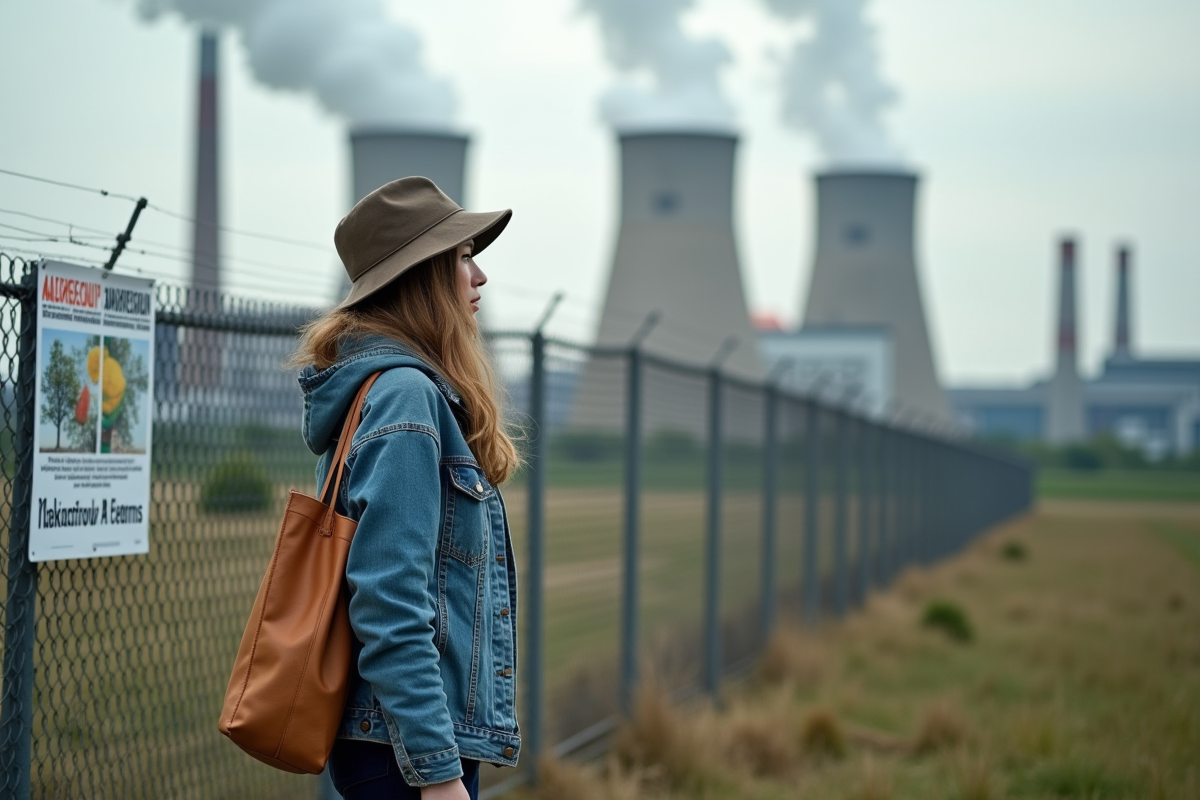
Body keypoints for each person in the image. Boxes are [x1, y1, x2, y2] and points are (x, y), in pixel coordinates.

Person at [291, 177, 521, 800]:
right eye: (462, 258)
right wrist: (439, 773)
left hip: (397, 743)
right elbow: (390, 601)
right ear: (419, 278)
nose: (479, 278)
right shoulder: (406, 398)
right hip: (406, 751)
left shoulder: (397, 391)